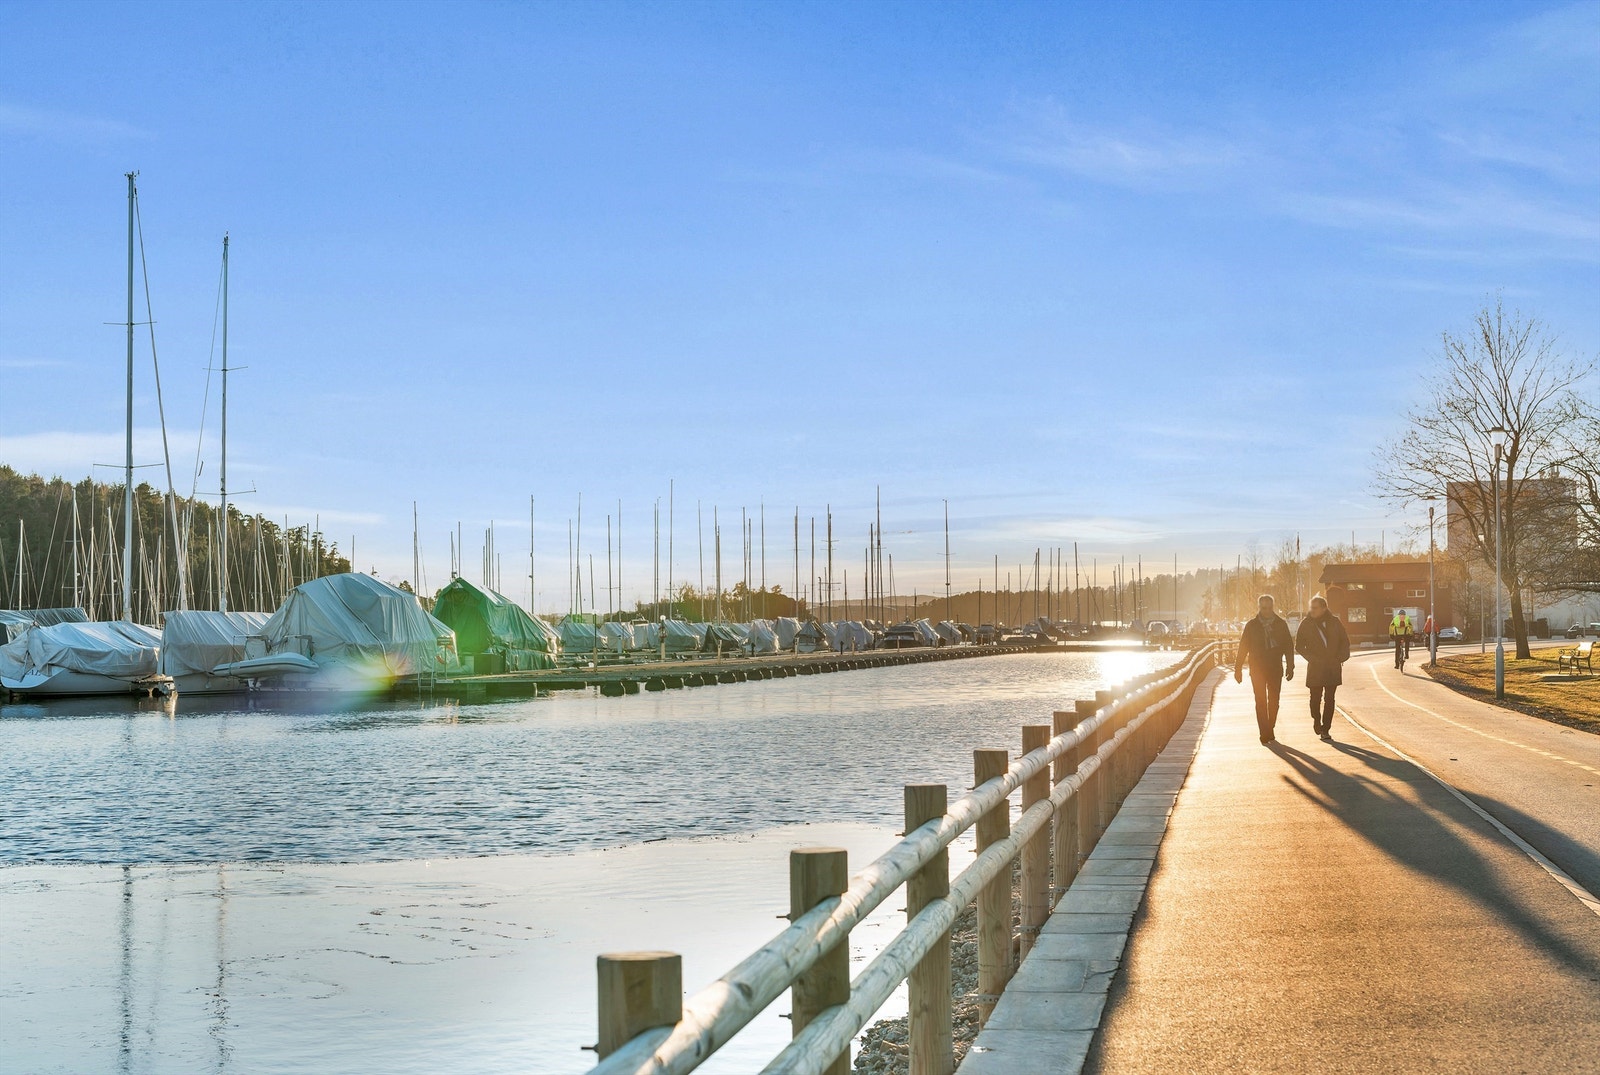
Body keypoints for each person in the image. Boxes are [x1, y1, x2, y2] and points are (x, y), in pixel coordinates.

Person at [1235, 595, 1295, 745]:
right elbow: (1243, 647)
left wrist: (1290, 666)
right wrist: (1238, 669)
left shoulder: (1280, 624)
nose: (1266, 611)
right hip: (1257, 668)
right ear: (1259, 608)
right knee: (1260, 701)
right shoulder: (1252, 625)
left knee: (1274, 700)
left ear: (1273, 607)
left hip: (1275, 667)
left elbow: (1288, 646)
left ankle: (1270, 727)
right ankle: (1264, 732)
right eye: (1263, 608)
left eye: (1269, 608)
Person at [1295, 595, 1351, 742]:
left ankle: (1325, 729)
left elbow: (1344, 641)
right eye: (1311, 608)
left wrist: (1341, 657)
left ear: (1324, 608)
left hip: (1332, 666)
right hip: (1315, 668)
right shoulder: (1306, 624)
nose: (1312, 610)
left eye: (1315, 608)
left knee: (1329, 699)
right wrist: (1312, 658)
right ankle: (1316, 719)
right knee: (1315, 699)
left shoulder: (1334, 622)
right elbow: (1299, 646)